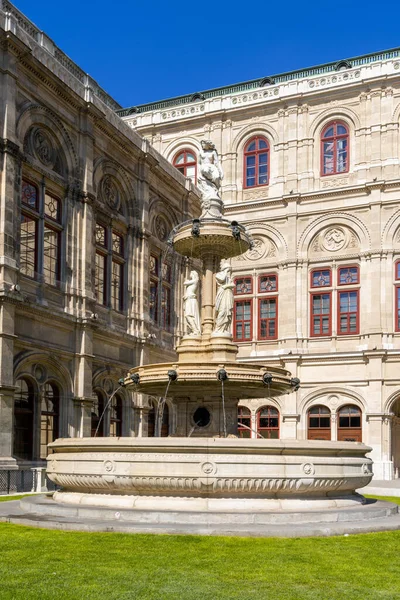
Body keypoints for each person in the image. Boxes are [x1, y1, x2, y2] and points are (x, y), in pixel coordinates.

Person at [214, 262, 234, 335]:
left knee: (227, 311)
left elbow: (233, 285)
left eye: (230, 271)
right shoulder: (218, 275)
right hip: (222, 293)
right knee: (222, 311)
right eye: (229, 270)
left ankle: (224, 328)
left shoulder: (229, 278)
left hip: (228, 294)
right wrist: (225, 272)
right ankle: (218, 328)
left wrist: (226, 286)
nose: (229, 272)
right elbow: (222, 279)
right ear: (224, 269)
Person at [183, 270, 201, 336]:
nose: (189, 274)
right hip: (189, 299)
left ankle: (195, 330)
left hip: (191, 300)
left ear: (193, 274)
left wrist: (187, 281)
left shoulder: (195, 280)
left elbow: (185, 283)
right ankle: (194, 330)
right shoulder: (193, 281)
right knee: (188, 316)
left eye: (190, 273)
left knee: (188, 315)